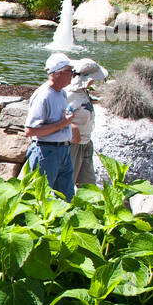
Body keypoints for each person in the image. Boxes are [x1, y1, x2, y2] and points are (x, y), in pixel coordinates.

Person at [23, 52, 77, 199]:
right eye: (70, 71)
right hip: (46, 152)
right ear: (58, 73)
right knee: (38, 198)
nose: (73, 74)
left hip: (63, 150)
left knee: (67, 198)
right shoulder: (43, 96)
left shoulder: (62, 93)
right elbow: (30, 130)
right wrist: (63, 124)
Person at [65, 58, 109, 189]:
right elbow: (61, 116)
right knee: (67, 184)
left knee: (89, 186)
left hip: (85, 143)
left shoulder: (84, 92)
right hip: (73, 145)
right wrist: (73, 129)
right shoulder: (71, 94)